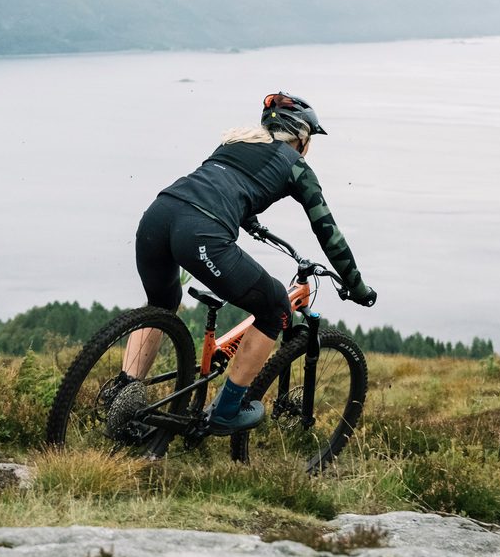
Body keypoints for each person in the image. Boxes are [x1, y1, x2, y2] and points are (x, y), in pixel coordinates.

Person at [112, 91, 377, 434]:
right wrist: (356, 285)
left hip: (157, 216)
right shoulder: (296, 165)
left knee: (162, 303)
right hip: (201, 233)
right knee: (276, 308)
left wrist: (247, 219)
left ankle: (123, 394)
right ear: (301, 138)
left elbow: (222, 186)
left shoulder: (232, 144)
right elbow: (328, 233)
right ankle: (225, 412)